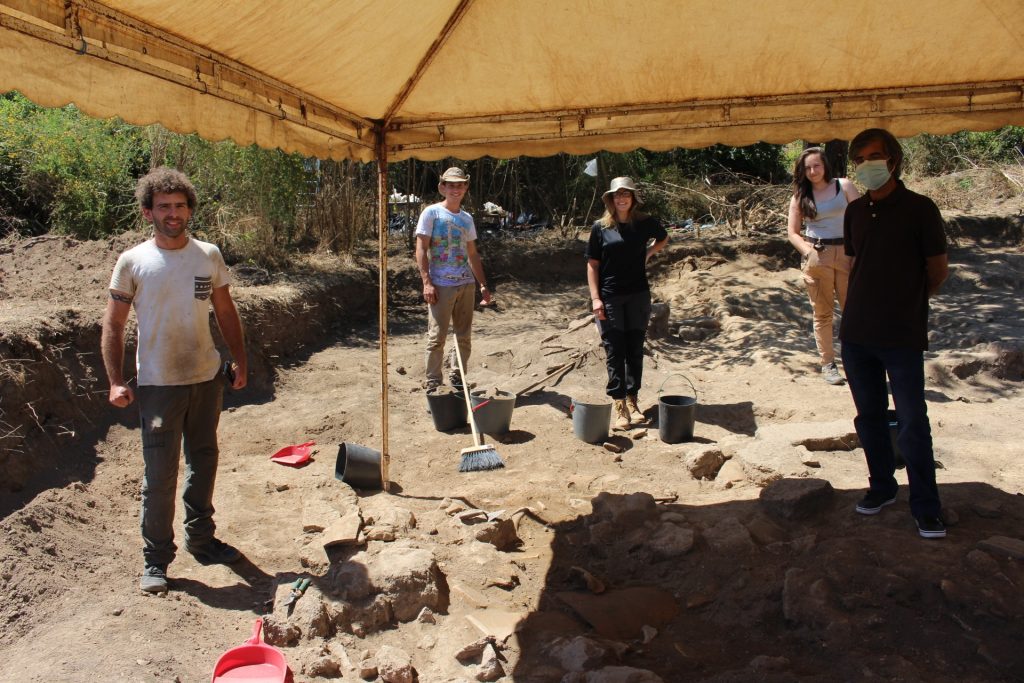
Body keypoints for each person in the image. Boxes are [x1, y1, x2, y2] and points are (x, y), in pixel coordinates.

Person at [101, 167, 248, 593]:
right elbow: (113, 324)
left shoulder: (208, 255)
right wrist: (115, 380)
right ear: (148, 212)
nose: (173, 213)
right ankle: (156, 560)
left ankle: (201, 540)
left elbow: (225, 311)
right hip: (159, 385)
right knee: (160, 475)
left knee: (204, 459)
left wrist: (240, 360)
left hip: (205, 378)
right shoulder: (133, 262)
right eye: (163, 206)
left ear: (189, 210)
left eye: (180, 205)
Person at [840, 129, 949, 539]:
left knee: (912, 421)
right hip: (857, 334)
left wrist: (906, 302)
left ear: (894, 160)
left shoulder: (920, 209)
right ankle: (882, 488)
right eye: (860, 160)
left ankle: (926, 507)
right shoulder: (854, 212)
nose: (866, 166)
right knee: (869, 418)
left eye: (874, 157)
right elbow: (856, 266)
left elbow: (937, 271)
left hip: (902, 335)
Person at [586, 177, 669, 430]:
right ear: (611, 199)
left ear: (633, 198)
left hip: (638, 296)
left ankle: (633, 401)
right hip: (610, 296)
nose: (621, 198)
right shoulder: (600, 228)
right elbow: (592, 264)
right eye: (617, 195)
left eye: (626, 194)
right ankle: (619, 404)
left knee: (634, 350)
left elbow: (663, 237)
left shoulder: (644, 223)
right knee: (615, 350)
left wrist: (648, 253)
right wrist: (596, 298)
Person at [786, 147, 861, 385]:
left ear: (825, 165)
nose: (812, 171)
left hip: (848, 254)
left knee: (854, 311)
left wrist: (860, 251)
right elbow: (792, 232)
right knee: (823, 313)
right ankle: (828, 364)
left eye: (816, 165)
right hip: (818, 256)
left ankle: (858, 363)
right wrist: (808, 252)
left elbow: (861, 220)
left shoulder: (844, 186)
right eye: (807, 168)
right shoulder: (800, 196)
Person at [415, 167, 492, 391]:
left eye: (460, 185)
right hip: (441, 284)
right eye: (451, 185)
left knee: (463, 336)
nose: (455, 189)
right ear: (442, 187)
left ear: (465, 188)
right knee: (436, 337)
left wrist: (483, 285)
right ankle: (433, 383)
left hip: (465, 284)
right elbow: (421, 249)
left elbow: (472, 254)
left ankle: (458, 378)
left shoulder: (467, 219)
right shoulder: (431, 213)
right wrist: (427, 282)